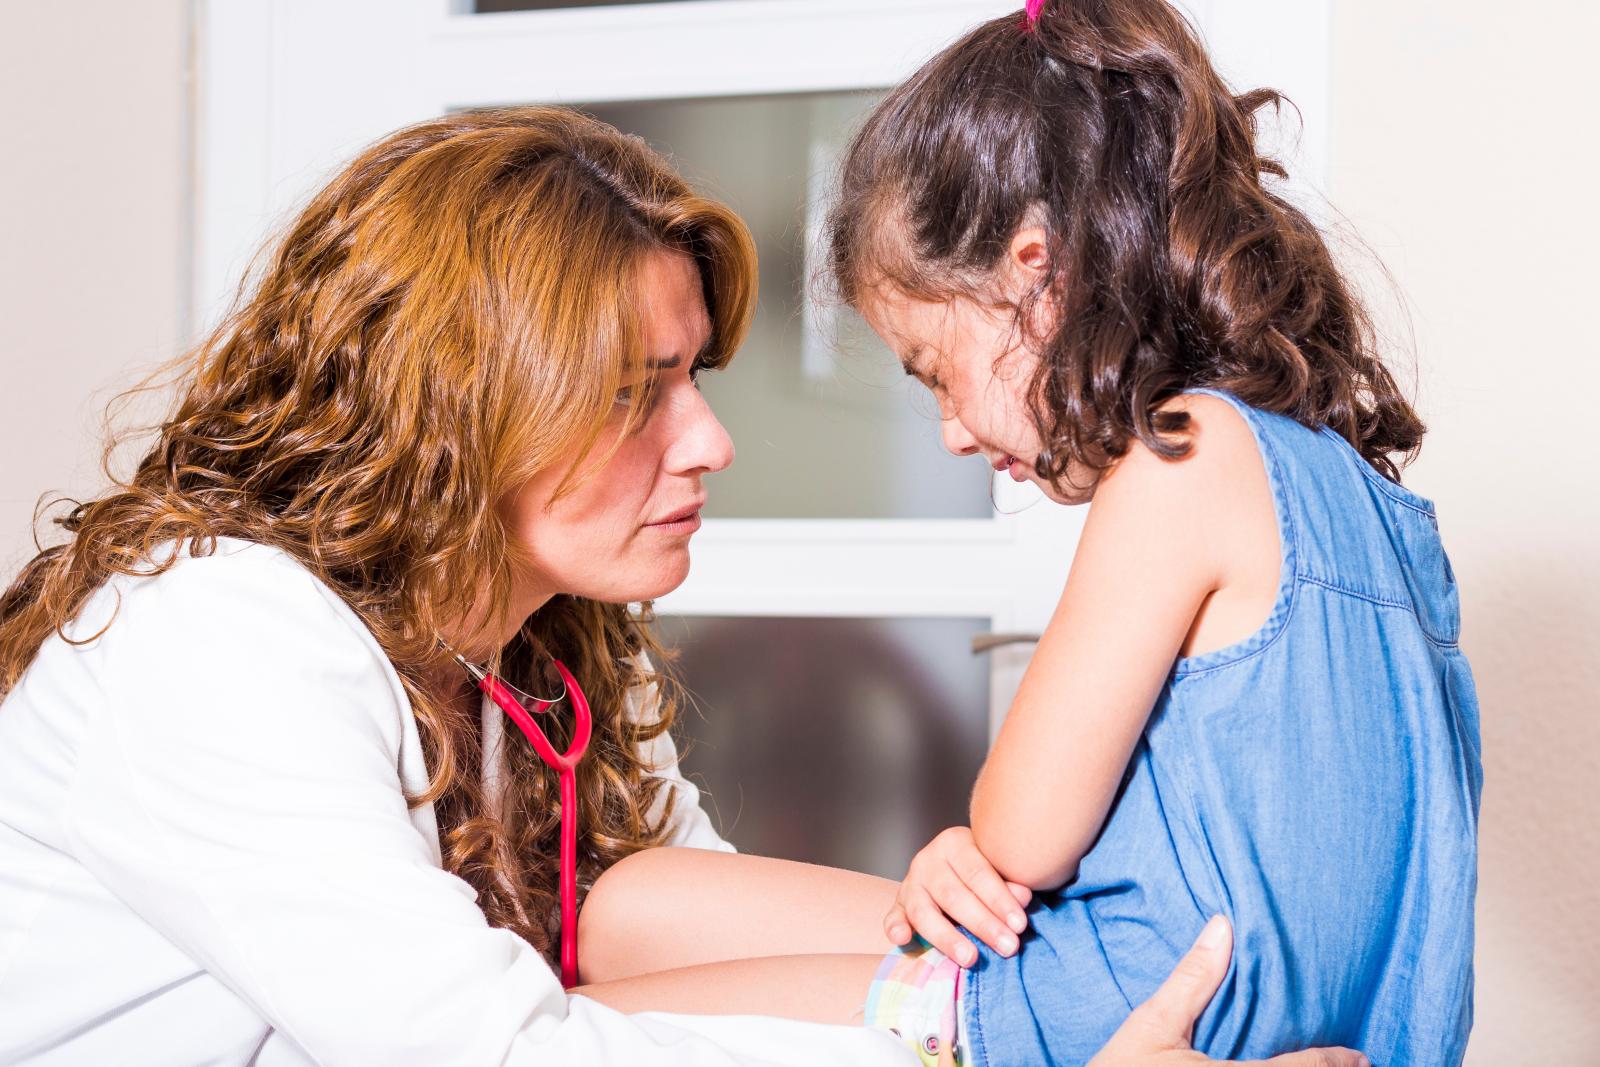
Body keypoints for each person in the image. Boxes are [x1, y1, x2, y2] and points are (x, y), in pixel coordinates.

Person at [0, 105, 1356, 1066]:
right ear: (453, 410)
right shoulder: (216, 637)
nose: (708, 440)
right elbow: (506, 1050)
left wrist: (1018, 963)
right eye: (633, 391)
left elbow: (663, 935)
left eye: (693, 376)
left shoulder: (529, 655)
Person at [570, 1, 1480, 1064]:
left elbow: (1023, 833)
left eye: (936, 373)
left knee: (598, 1021)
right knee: (626, 909)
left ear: (1034, 274)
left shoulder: (1185, 454)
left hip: (1077, 1015)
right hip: (1326, 1025)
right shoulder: (1371, 508)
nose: (951, 432)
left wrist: (973, 839)